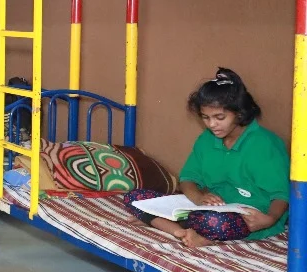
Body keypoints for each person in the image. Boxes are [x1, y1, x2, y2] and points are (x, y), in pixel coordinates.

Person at [123, 69, 288, 249]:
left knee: (213, 222)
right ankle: (180, 232)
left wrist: (270, 219)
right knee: (135, 198)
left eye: (219, 117)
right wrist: (199, 198)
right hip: (207, 209)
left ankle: (161, 222)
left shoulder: (265, 144)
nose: (211, 124)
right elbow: (188, 179)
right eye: (205, 117)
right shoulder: (207, 140)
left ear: (240, 113)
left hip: (251, 217)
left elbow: (282, 194)